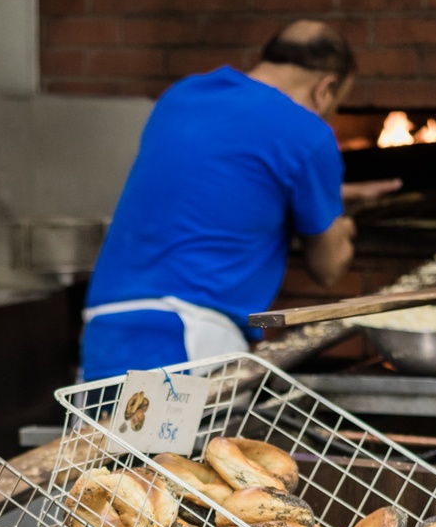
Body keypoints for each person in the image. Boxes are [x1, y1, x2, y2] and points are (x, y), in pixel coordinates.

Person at [80, 20, 399, 379]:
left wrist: (329, 196)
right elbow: (329, 267)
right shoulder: (308, 131)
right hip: (188, 338)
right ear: (325, 90)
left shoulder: (182, 96)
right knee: (210, 440)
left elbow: (222, 187)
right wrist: (338, 219)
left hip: (106, 326)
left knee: (100, 437)